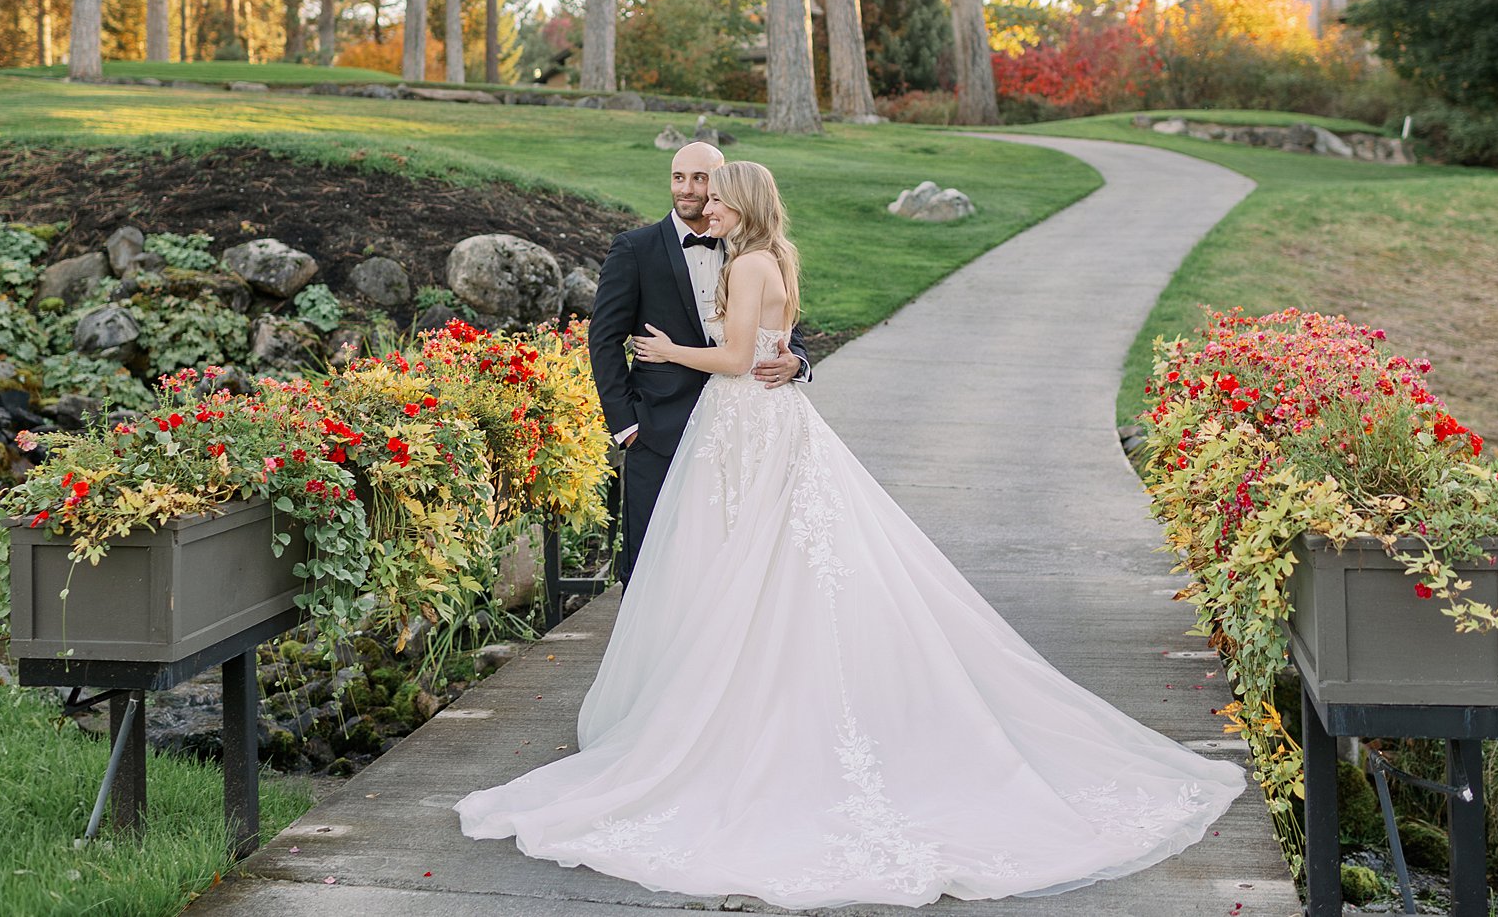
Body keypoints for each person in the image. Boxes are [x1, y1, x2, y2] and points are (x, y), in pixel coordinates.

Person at [457, 161, 1246, 908]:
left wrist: (667, 350)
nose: (710, 206)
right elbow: (779, 348)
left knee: (754, 561)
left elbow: (736, 358)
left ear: (742, 202)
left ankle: (741, 708)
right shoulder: (780, 255)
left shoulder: (745, 264)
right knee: (781, 561)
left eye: (722, 197)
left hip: (742, 421)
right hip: (776, 421)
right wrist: (784, 365)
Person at [584, 141, 810, 585]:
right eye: (678, 177)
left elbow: (784, 324)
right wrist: (627, 426)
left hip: (742, 429)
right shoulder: (635, 249)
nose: (688, 190)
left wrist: (796, 362)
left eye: (701, 179)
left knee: (734, 555)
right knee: (652, 564)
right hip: (659, 430)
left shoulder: (747, 248)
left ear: (724, 187)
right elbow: (604, 337)